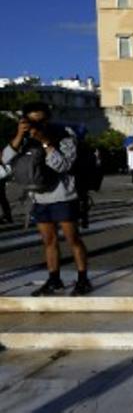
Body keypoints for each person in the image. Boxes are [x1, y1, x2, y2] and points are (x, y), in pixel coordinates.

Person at [2, 101, 92, 296]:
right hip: (39, 198)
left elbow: (63, 166)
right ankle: (54, 279)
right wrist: (19, 134)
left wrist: (45, 142)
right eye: (31, 121)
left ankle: (83, 278)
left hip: (63, 195)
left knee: (72, 239)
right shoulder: (24, 139)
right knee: (48, 241)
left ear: (48, 119)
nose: (36, 126)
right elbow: (5, 160)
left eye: (40, 121)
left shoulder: (64, 135)